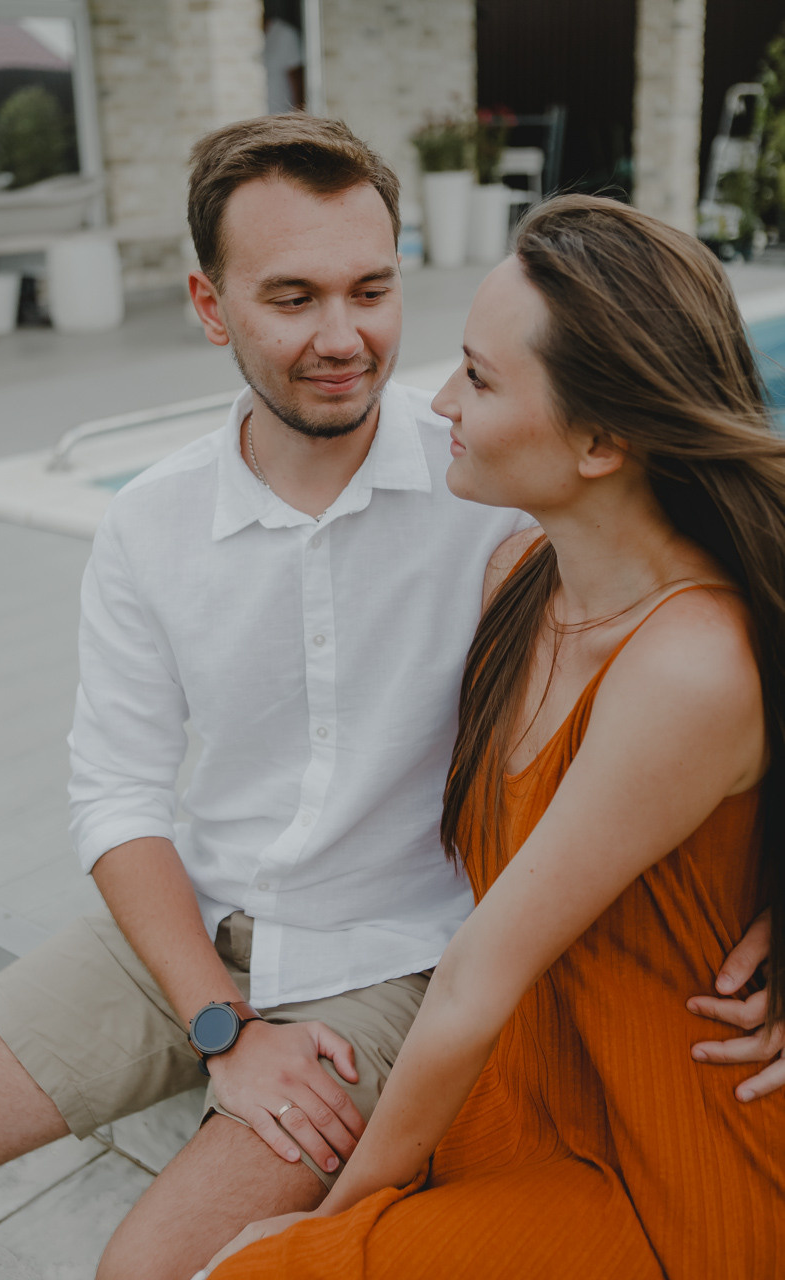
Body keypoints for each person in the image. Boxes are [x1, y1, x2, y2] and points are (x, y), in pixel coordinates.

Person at [0, 121, 776, 1279]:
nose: (346, 338)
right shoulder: (153, 520)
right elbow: (117, 791)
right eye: (292, 297)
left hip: (390, 960)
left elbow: (718, 623)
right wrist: (215, 1022)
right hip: (189, 926)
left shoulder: (498, 485)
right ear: (208, 302)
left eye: (372, 289)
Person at [204, 195, 785, 1279]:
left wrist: (334, 1221)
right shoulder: (520, 578)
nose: (436, 400)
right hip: (525, 1087)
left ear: (602, 439)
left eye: (477, 376)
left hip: (660, 1159)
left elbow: (477, 973)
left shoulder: (687, 661)